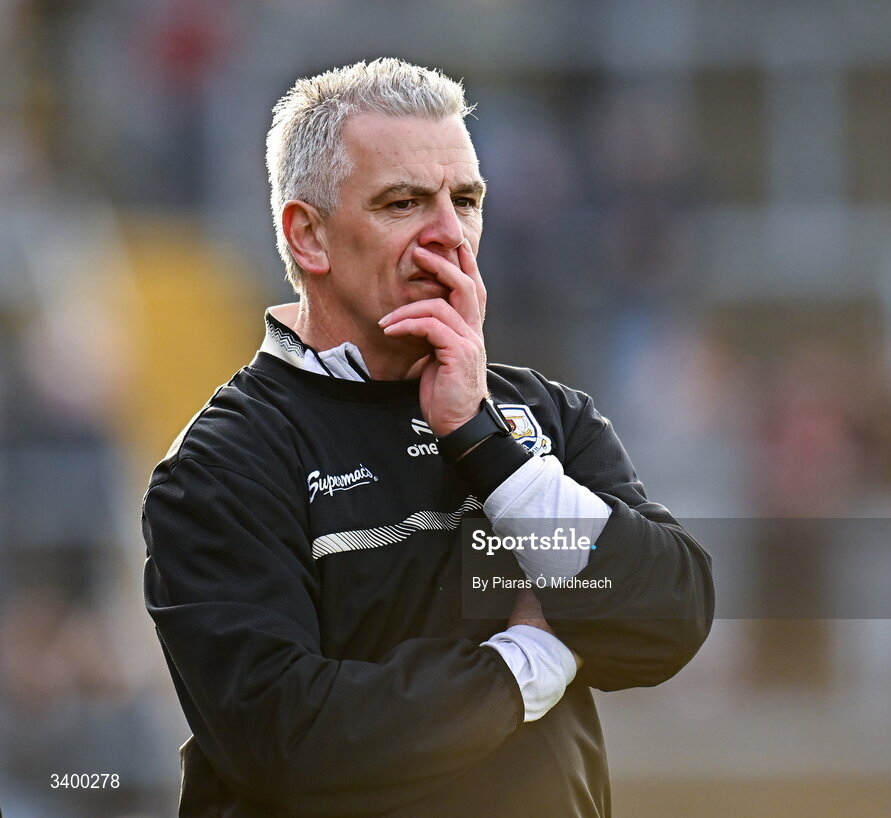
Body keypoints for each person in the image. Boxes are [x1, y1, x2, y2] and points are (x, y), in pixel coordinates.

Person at [142, 58, 714, 818]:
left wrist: (486, 445)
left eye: (466, 200)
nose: (449, 236)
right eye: (404, 202)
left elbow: (670, 617)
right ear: (308, 236)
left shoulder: (545, 417)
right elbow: (289, 739)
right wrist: (527, 664)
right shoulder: (221, 465)